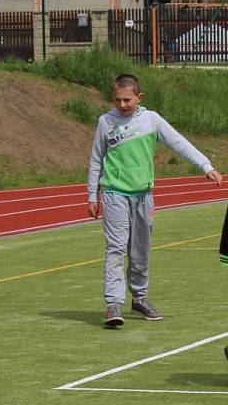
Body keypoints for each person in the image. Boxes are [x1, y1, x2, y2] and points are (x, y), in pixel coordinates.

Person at [87, 73, 222, 327]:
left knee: (140, 250)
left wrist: (205, 165)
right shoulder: (106, 122)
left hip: (143, 196)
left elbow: (179, 143)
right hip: (114, 194)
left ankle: (139, 297)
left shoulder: (151, 120)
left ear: (139, 97)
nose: (122, 105)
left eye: (127, 100)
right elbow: (96, 159)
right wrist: (92, 195)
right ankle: (113, 304)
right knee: (115, 249)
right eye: (117, 100)